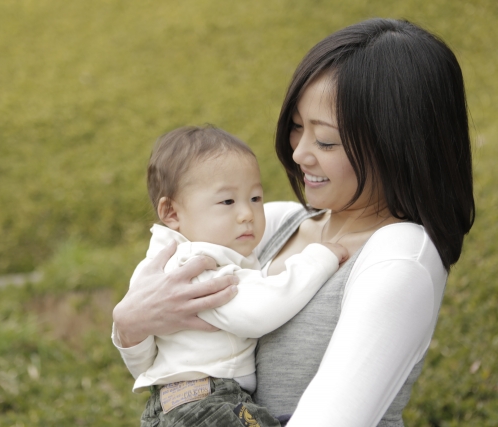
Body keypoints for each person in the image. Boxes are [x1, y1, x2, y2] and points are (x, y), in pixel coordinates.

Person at [112, 18, 475, 427]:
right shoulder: (278, 221)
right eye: (297, 127)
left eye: (326, 140)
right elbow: (176, 347)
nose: (300, 153)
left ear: (395, 144)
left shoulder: (399, 258)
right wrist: (129, 323)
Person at [116, 125, 347, 426]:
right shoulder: (198, 265)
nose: (246, 214)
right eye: (227, 202)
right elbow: (258, 312)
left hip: (173, 405)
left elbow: (142, 359)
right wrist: (319, 259)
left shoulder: (155, 268)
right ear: (172, 212)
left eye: (255, 198)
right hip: (209, 404)